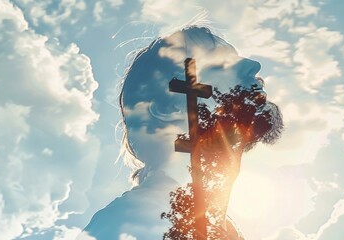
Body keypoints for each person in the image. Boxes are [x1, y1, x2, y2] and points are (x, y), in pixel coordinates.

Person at [79, 26, 283, 240]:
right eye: (221, 62)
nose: (254, 66)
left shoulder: (224, 230)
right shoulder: (128, 225)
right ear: (169, 106)